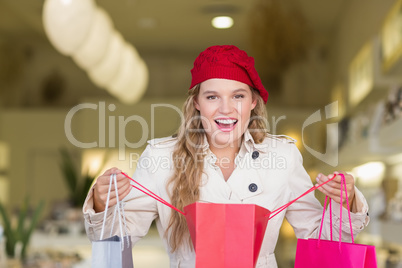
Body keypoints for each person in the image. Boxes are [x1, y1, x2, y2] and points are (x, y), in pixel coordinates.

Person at [83, 45, 369, 267]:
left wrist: (345, 202)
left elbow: (319, 237)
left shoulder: (282, 155)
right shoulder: (161, 157)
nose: (226, 109)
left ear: (253, 101)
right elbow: (117, 238)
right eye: (212, 97)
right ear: (196, 103)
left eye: (238, 96)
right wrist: (101, 200)